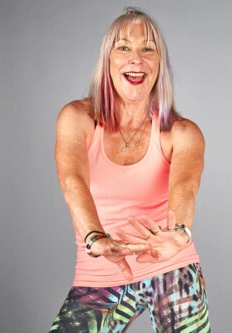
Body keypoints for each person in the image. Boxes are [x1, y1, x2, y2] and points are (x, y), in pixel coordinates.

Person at [50, 8, 210, 333]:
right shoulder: (78, 118)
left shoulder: (181, 132)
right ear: (107, 60)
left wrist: (178, 233)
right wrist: (96, 238)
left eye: (147, 49)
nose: (136, 58)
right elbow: (72, 180)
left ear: (159, 65)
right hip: (100, 273)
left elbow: (186, 186)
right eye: (123, 47)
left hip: (171, 268)